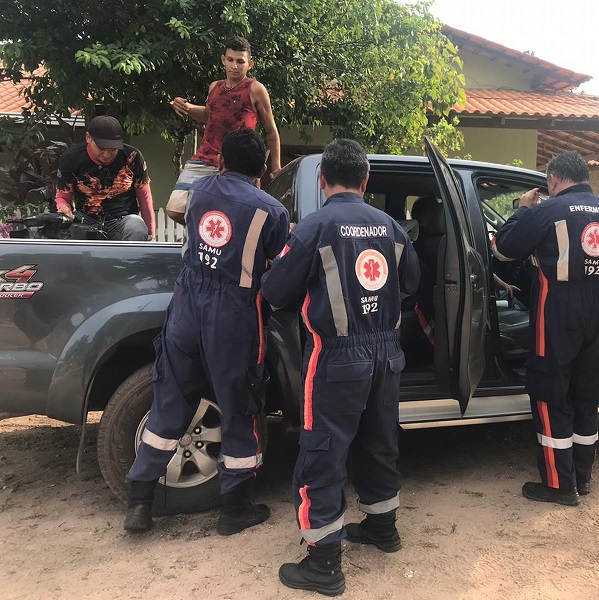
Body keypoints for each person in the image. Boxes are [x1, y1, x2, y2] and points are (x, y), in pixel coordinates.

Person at [261, 139, 420, 596]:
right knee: (379, 441)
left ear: (321, 178)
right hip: (386, 355)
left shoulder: (315, 227)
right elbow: (411, 282)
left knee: (324, 450)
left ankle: (325, 563)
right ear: (366, 182)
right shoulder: (392, 228)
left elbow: (275, 290)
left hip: (336, 357)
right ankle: (382, 528)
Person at [123, 129, 290, 535]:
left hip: (186, 305)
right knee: (239, 407)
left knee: (169, 401)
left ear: (221, 161)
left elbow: (182, 221)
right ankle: (234, 511)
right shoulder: (271, 210)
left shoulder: (199, 192)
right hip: (233, 316)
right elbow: (283, 271)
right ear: (264, 168)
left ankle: (140, 503)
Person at [493, 151, 599, 506]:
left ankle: (558, 485)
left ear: (553, 179)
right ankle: (581, 479)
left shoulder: (546, 211)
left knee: (552, 394)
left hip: (558, 312)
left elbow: (504, 250)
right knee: (586, 394)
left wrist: (522, 209)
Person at [167, 36, 282, 224]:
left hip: (237, 163)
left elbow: (271, 131)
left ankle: (223, 241)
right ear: (223, 60)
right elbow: (209, 115)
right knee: (175, 208)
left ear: (249, 64)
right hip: (205, 157)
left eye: (240, 61)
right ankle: (207, 233)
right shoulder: (215, 87)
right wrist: (186, 107)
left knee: (242, 217)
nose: (234, 66)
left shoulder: (255, 89)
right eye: (230, 60)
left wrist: (276, 168)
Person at [55, 115, 154, 241]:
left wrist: (151, 235)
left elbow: (145, 198)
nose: (107, 155)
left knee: (137, 227)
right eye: (101, 149)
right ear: (88, 138)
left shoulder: (132, 156)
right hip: (85, 222)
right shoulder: (70, 159)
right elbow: (63, 197)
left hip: (124, 222)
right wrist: (64, 207)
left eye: (113, 150)